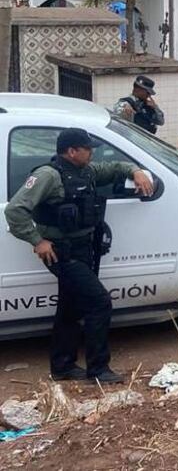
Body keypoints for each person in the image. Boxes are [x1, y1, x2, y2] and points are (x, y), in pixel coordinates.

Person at [4, 129, 154, 384]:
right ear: (72, 151)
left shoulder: (87, 171)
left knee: (70, 307)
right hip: (62, 253)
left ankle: (62, 366)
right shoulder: (48, 176)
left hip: (84, 248)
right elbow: (15, 211)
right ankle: (98, 369)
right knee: (99, 303)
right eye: (87, 149)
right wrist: (37, 241)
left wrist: (136, 171)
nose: (92, 153)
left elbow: (118, 166)